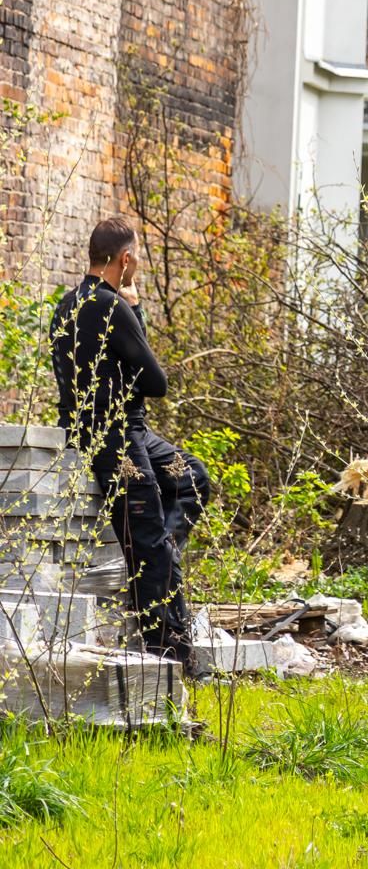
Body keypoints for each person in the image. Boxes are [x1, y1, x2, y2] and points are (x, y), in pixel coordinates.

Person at [48, 216, 209, 665]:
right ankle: (170, 655)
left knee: (191, 476)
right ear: (126, 259)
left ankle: (167, 553)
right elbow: (156, 381)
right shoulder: (110, 306)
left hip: (121, 433)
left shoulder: (66, 304)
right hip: (116, 441)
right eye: (135, 257)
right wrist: (134, 308)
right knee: (147, 541)